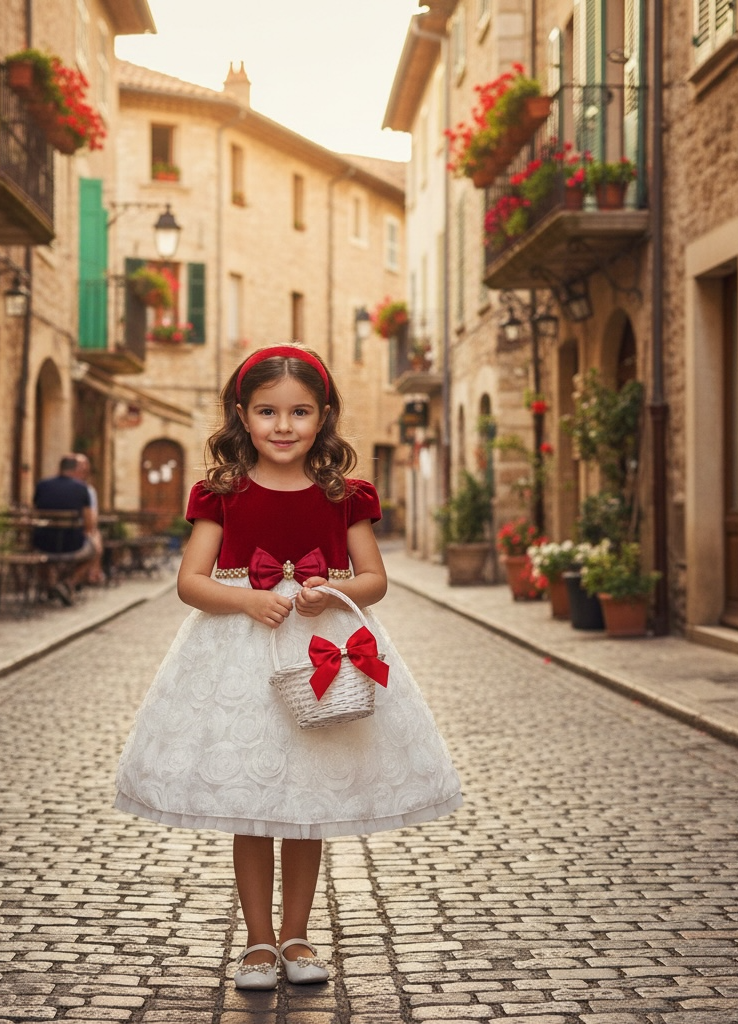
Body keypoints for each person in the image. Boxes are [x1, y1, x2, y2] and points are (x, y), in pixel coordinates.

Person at [114, 346, 462, 991]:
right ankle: (256, 944)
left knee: (307, 799)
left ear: (323, 416)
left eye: (299, 412)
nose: (283, 425)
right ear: (242, 417)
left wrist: (331, 594)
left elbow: (375, 579)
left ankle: (299, 936)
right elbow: (191, 582)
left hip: (317, 647)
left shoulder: (344, 495)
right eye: (267, 411)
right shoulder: (220, 493)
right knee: (253, 804)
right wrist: (248, 598)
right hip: (236, 656)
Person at [32, 455, 98, 603]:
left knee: (40, 555)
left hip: (43, 543)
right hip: (71, 545)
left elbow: (35, 512)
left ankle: (51, 585)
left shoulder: (42, 485)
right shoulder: (82, 488)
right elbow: (89, 523)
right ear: (75, 469)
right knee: (94, 552)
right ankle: (68, 583)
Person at [72, 453, 106, 585]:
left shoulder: (89, 490)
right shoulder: (85, 490)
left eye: (85, 469)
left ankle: (89, 575)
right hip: (76, 536)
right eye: (81, 468)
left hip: (78, 533)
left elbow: (92, 518)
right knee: (95, 547)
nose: (83, 472)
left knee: (96, 543)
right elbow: (91, 520)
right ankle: (71, 581)